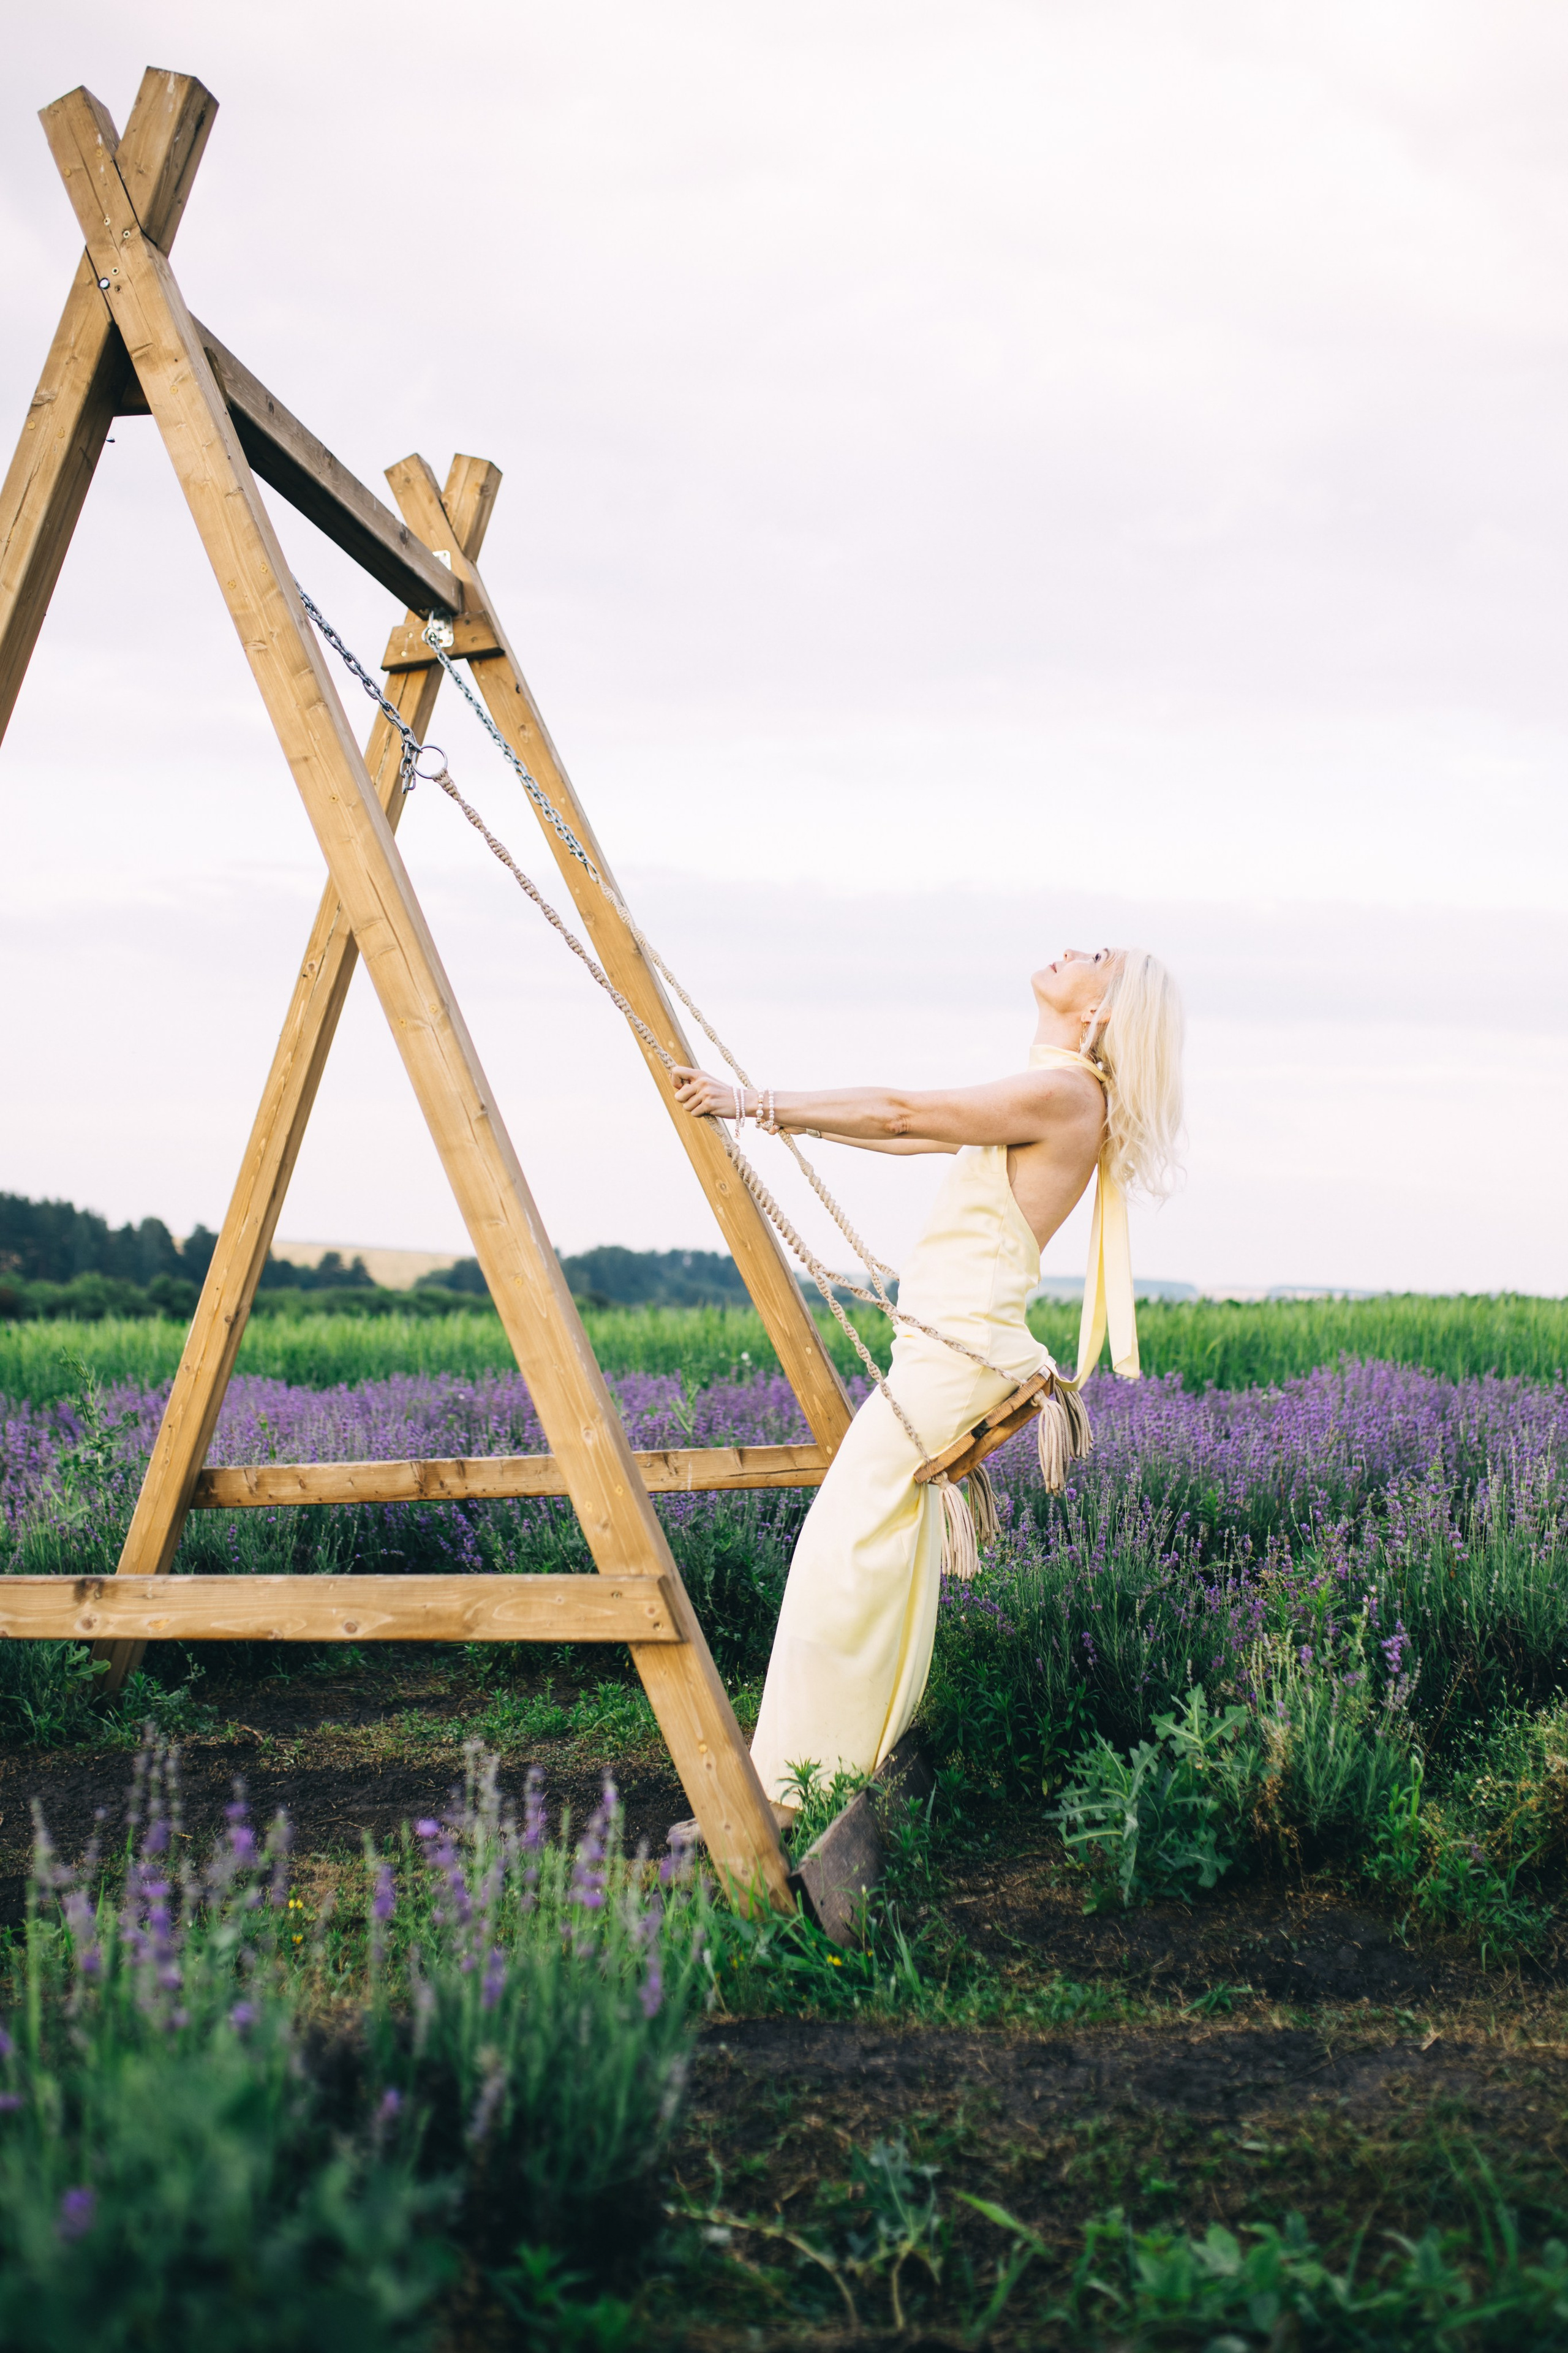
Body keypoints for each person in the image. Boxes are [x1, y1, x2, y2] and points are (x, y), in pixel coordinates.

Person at [673, 944, 1185, 1826]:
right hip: (951, 1349)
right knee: (874, 1561)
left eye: (1095, 956)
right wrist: (778, 1117)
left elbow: (908, 1114)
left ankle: (789, 1795)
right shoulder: (1060, 1087)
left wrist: (751, 1102)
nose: (1073, 948)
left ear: (1101, 1008)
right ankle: (831, 1770)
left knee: (839, 1559)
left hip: (960, 1355)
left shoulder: (1067, 1092)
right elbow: (905, 1129)